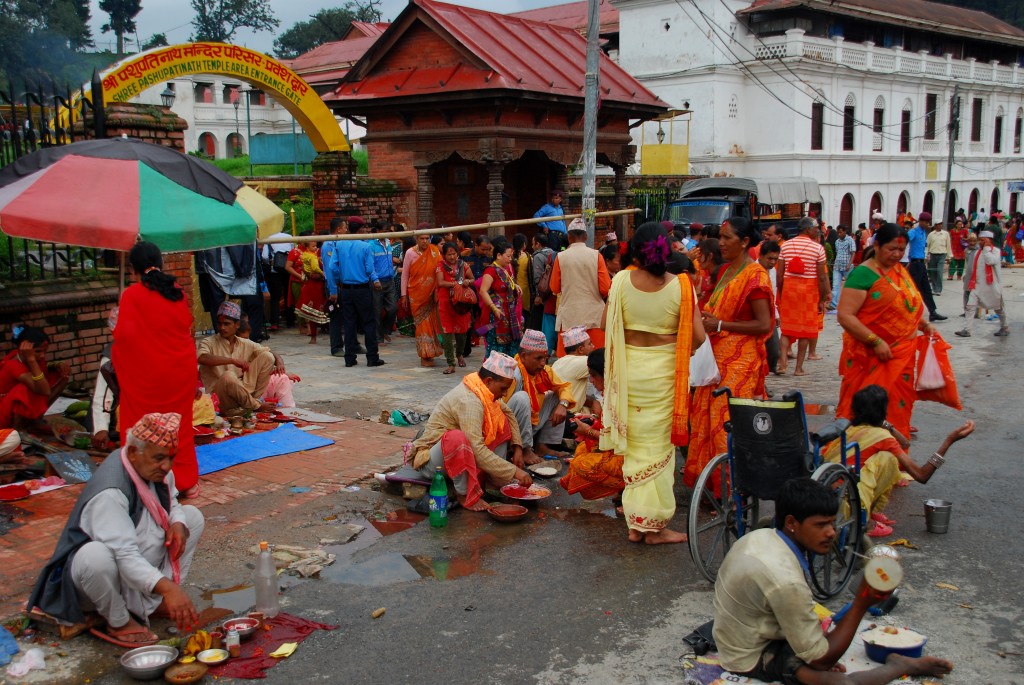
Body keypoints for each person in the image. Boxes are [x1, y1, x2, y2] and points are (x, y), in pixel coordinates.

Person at [713, 478, 954, 685]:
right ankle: (899, 666)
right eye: (820, 525)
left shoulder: (761, 535)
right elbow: (821, 659)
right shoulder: (785, 580)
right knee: (836, 680)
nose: (831, 532)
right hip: (747, 655)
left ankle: (894, 663)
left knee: (826, 663)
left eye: (831, 523)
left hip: (749, 632)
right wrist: (861, 603)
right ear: (791, 523)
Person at [29, 413, 205, 646]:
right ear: (133, 452)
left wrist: (177, 523)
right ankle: (119, 619)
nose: (167, 466)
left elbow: (172, 501)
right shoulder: (110, 492)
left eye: (171, 458)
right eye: (160, 458)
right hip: (97, 579)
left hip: (134, 562)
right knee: (94, 556)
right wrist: (169, 588)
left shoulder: (155, 467)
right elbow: (124, 555)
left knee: (192, 517)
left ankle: (152, 602)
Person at [600, 222, 705, 544]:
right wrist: (674, 339)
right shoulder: (681, 286)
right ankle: (654, 528)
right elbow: (698, 339)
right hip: (662, 377)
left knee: (635, 447)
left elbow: (605, 325)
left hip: (629, 375)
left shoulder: (620, 281)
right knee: (658, 448)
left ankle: (636, 525)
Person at [686, 217, 774, 491]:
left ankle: (732, 487)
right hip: (715, 358)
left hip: (741, 361)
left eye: (727, 238)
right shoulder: (727, 271)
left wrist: (721, 324)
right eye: (720, 237)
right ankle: (712, 485)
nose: (721, 243)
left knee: (726, 423)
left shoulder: (755, 275)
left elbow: (764, 324)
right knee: (705, 417)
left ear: (745, 242)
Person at [824, 385, 975, 537]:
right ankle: (866, 521)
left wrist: (885, 424)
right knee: (887, 459)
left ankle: (867, 510)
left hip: (832, 498)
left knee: (883, 458)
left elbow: (905, 443)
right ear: (883, 411)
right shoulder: (882, 438)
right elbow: (922, 476)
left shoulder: (850, 428)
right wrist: (949, 441)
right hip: (847, 504)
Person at [113, 242, 199, 499]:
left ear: (133, 269)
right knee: (178, 426)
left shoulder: (131, 295)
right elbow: (183, 327)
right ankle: (185, 481)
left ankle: (141, 477)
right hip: (178, 371)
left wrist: (114, 325)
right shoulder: (177, 292)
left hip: (146, 375)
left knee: (141, 426)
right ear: (160, 263)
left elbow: (125, 337)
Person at [836, 223, 935, 436]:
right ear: (877, 246)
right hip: (872, 357)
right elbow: (845, 315)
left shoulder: (899, 271)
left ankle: (894, 462)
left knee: (896, 409)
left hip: (902, 356)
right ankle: (860, 461)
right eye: (892, 249)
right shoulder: (863, 274)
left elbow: (905, 305)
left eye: (901, 250)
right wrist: (875, 341)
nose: (897, 254)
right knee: (865, 415)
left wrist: (923, 324)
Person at [402, 352, 533, 512]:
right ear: (489, 381)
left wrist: (518, 447)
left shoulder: (482, 389)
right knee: (457, 438)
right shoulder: (470, 400)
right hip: (431, 462)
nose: (505, 394)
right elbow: (477, 450)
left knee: (501, 417)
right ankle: (464, 494)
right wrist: (515, 471)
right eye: (503, 389)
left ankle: (492, 479)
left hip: (454, 453)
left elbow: (508, 413)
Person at [197, 301, 287, 415]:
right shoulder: (208, 342)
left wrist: (279, 363)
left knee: (267, 357)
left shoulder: (245, 343)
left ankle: (251, 402)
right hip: (220, 398)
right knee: (228, 376)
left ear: (237, 325)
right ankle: (255, 406)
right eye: (219, 324)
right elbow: (202, 358)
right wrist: (232, 360)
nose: (222, 327)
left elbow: (270, 352)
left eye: (226, 324)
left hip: (241, 393)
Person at [559, 348, 624, 501]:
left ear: (606, 375)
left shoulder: (619, 399)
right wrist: (593, 420)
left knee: (581, 464)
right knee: (582, 449)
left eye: (594, 376)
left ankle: (628, 490)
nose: (591, 381)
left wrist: (588, 431)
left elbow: (617, 440)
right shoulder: (612, 394)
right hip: (618, 451)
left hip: (630, 458)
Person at [503, 329, 575, 463]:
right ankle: (524, 449)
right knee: (522, 397)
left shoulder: (544, 371)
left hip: (530, 424)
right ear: (523, 356)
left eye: (545, 358)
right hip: (507, 431)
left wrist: (563, 405)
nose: (543, 363)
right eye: (538, 358)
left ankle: (542, 445)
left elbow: (564, 386)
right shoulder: (512, 373)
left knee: (557, 396)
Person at [326, 225, 385, 368]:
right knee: (368, 323)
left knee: (349, 323)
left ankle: (349, 358)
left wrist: (337, 282)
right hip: (362, 289)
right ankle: (372, 357)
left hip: (346, 289)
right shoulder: (365, 246)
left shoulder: (339, 245)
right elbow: (369, 269)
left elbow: (332, 267)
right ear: (359, 231)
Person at [550, 218, 611, 356]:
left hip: (569, 317)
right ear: (586, 236)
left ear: (569, 237)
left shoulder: (561, 257)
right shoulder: (597, 256)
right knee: (597, 360)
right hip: (594, 317)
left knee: (569, 363)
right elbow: (606, 288)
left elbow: (554, 288)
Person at [776, 217, 828, 376]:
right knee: (805, 331)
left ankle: (783, 363)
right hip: (809, 292)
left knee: (786, 330)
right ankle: (798, 368)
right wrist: (822, 297)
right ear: (807, 229)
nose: (818, 230)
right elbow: (821, 277)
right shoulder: (818, 248)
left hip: (789, 290)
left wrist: (782, 290)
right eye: (816, 228)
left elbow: (780, 274)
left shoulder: (785, 245)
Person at [0, 326, 69, 429]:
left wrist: (56, 365)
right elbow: (44, 390)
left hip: (21, 405)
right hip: (4, 414)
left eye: (44, 352)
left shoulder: (36, 359)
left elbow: (43, 373)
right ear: (23, 350)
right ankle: (18, 430)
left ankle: (35, 419)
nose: (42, 356)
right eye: (38, 351)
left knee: (62, 376)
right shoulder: (13, 364)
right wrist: (31, 359)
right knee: (24, 389)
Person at [401, 232, 444, 367]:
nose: (425, 241)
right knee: (421, 325)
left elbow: (441, 270)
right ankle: (424, 355)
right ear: (417, 239)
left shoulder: (435, 251)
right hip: (416, 295)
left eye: (427, 238)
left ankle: (431, 353)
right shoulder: (410, 253)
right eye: (422, 239)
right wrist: (404, 295)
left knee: (431, 324)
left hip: (432, 294)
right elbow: (405, 274)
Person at [956, 230, 1009, 337]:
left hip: (992, 286)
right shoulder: (977, 252)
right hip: (977, 285)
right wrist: (968, 276)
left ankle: (1004, 327)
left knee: (998, 308)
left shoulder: (995, 251)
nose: (979, 242)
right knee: (970, 306)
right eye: (980, 240)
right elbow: (972, 267)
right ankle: (967, 330)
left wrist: (986, 248)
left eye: (982, 240)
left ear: (988, 241)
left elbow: (990, 261)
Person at [478, 238, 524, 358]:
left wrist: (515, 286)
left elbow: (506, 286)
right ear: (498, 255)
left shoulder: (504, 270)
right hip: (497, 315)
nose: (510, 259)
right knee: (497, 349)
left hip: (509, 315)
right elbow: (483, 291)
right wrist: (494, 308)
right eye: (508, 256)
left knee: (511, 347)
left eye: (511, 256)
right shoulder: (491, 270)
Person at [435, 242, 475, 374]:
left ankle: (459, 354)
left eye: (454, 254)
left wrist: (467, 282)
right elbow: (440, 282)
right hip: (445, 303)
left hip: (461, 303)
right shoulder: (440, 266)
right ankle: (450, 362)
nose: (452, 257)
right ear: (444, 255)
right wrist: (457, 283)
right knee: (446, 333)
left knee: (462, 332)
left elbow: (472, 279)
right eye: (449, 254)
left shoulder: (463, 265)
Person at [905, 213, 946, 322]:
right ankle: (907, 311)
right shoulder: (913, 232)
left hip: (921, 263)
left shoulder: (924, 233)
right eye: (926, 222)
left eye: (928, 222)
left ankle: (932, 312)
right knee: (913, 289)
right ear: (921, 221)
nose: (928, 224)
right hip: (915, 264)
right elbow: (904, 241)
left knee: (926, 289)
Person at [551, 326, 596, 413]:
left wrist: (593, 402)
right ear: (580, 350)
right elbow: (607, 361)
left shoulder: (558, 362)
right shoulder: (582, 361)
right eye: (590, 344)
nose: (593, 346)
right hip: (568, 415)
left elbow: (575, 394)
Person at [294, 239, 328, 344]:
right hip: (315, 286)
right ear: (308, 247)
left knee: (321, 309)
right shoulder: (312, 257)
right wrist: (322, 274)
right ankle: (314, 335)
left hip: (316, 284)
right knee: (314, 309)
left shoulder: (308, 255)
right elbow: (313, 270)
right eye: (313, 246)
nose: (315, 248)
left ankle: (319, 333)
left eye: (316, 246)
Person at [371, 223, 400, 343]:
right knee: (377, 310)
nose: (387, 232)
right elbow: (370, 264)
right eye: (384, 230)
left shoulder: (388, 243)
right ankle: (378, 337)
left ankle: (385, 330)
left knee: (393, 308)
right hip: (378, 281)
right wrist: (375, 279)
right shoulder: (371, 245)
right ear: (378, 231)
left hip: (390, 279)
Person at [260, 232, 294, 331]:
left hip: (274, 271)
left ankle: (275, 322)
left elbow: (265, 256)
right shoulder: (289, 237)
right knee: (288, 295)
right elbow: (293, 252)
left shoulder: (268, 238)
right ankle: (290, 321)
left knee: (275, 297)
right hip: (288, 270)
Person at [758, 240, 782, 377]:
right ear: (761, 256)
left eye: (775, 259)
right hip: (756, 317)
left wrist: (776, 314)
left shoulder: (772, 271)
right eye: (770, 259)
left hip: (769, 315)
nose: (773, 262)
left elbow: (773, 293)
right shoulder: (752, 269)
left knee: (774, 350)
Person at [530, 233, 556, 347]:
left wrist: (538, 295)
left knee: (539, 323)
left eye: (533, 243)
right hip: (553, 293)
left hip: (542, 295)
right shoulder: (554, 254)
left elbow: (537, 278)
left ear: (538, 244)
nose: (532, 246)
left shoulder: (538, 257)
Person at [830, 225, 856, 309]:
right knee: (835, 285)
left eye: (840, 232)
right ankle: (834, 304)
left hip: (847, 266)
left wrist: (849, 264)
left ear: (845, 232)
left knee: (850, 285)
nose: (839, 234)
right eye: (838, 232)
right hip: (837, 266)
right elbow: (837, 253)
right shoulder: (837, 241)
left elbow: (853, 253)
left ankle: (852, 303)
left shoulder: (850, 240)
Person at [512, 234, 533, 325]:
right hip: (525, 292)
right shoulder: (528, 258)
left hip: (512, 291)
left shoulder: (509, 257)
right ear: (524, 244)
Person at [926, 220, 950, 295]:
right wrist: (926, 255)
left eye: (940, 224)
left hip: (942, 254)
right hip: (933, 254)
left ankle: (939, 289)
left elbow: (948, 245)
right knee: (932, 272)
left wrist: (949, 256)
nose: (939, 225)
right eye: (938, 224)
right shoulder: (931, 234)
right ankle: (934, 288)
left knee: (939, 272)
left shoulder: (945, 234)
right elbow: (927, 245)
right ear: (935, 225)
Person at [960, 231, 981, 316]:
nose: (972, 243)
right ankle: (966, 311)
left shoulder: (979, 250)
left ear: (976, 241)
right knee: (966, 293)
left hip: (977, 275)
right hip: (968, 274)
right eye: (970, 241)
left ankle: (976, 313)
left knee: (976, 294)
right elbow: (966, 263)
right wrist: (964, 274)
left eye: (974, 241)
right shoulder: (966, 250)